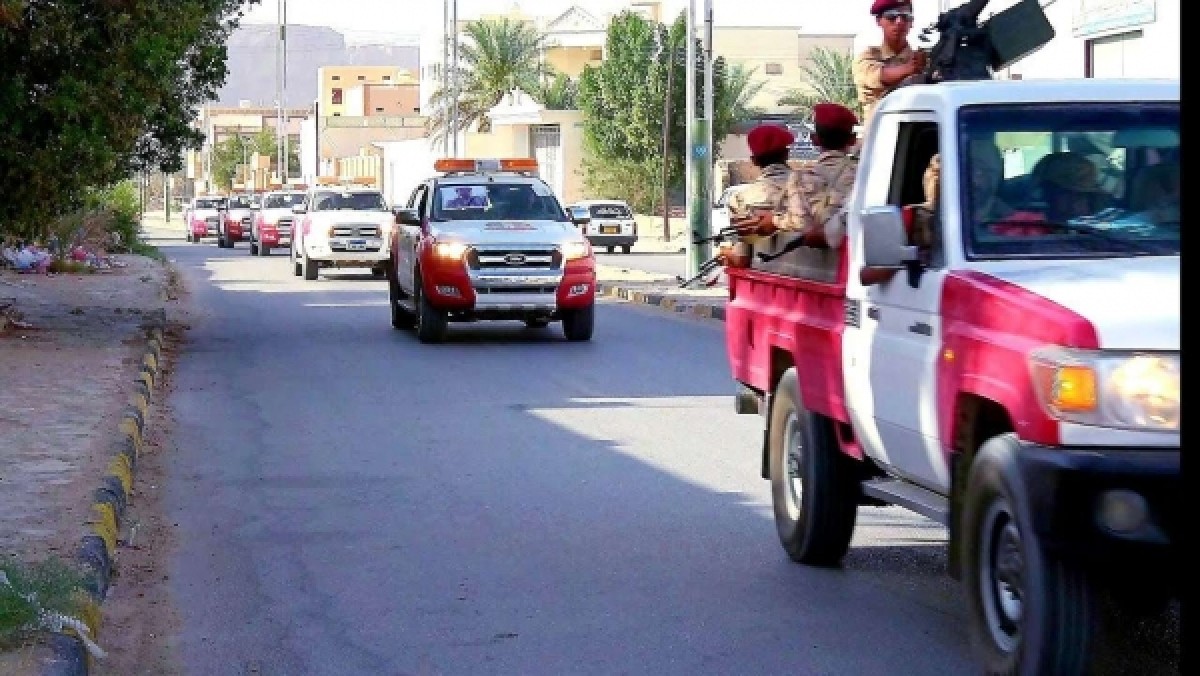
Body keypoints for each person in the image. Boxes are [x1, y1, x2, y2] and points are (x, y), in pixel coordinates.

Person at [770, 102, 861, 249]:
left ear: (814, 139)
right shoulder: (865, 173)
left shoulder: (800, 177)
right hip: (855, 257)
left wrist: (775, 221)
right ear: (853, 139)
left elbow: (801, 224)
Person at [723, 123, 795, 267]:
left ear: (754, 160)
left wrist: (725, 254)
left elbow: (742, 259)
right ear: (787, 154)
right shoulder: (811, 188)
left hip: (763, 276)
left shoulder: (740, 200)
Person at [852, 0, 928, 131]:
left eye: (906, 17)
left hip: (915, 139)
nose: (899, 22)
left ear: (911, 23)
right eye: (891, 16)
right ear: (878, 21)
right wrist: (910, 69)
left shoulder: (924, 60)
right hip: (879, 140)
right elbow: (879, 76)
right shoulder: (868, 57)